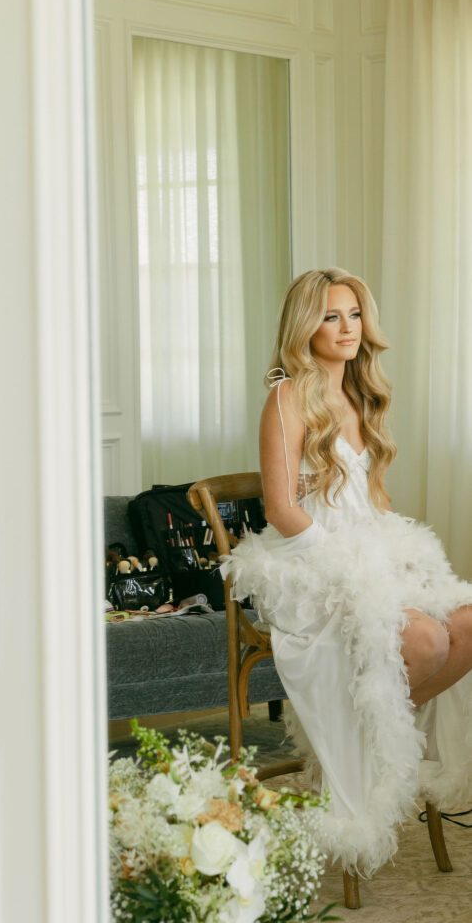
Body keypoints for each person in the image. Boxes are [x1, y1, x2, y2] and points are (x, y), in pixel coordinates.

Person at [220, 267, 472, 878]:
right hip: (308, 564)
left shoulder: (360, 395)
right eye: (331, 316)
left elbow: (371, 505)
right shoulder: (287, 395)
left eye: (354, 314)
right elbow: (281, 510)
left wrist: (393, 555)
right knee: (426, 638)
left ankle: (374, 729)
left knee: (466, 621)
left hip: (364, 551)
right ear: (305, 326)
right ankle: (372, 735)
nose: (347, 328)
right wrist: (349, 568)